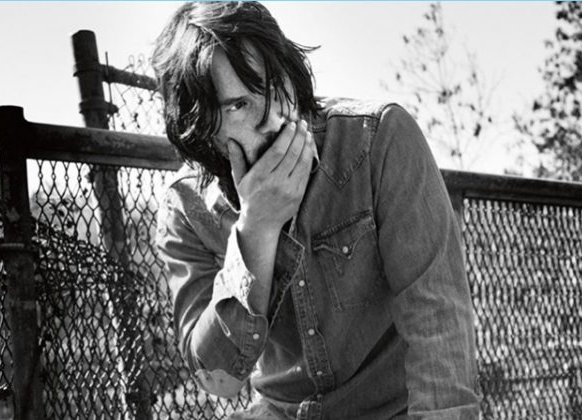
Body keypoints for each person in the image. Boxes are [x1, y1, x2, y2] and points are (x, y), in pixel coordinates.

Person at [153, 2, 481, 419]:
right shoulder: (187, 207)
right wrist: (257, 229)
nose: (273, 118)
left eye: (274, 85)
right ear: (200, 128)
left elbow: (437, 324)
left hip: (393, 410)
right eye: (238, 105)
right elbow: (220, 380)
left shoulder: (379, 139)